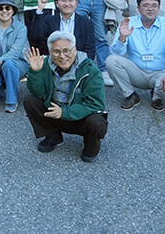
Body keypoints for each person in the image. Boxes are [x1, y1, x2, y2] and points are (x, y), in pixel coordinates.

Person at [23, 32, 108, 163]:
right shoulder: (44, 64)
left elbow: (96, 104)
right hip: (55, 112)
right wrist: (35, 72)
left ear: (74, 50)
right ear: (50, 52)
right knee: (31, 101)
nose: (62, 56)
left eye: (66, 51)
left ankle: (91, 145)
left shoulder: (91, 70)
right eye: (56, 52)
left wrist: (64, 112)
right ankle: (53, 136)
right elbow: (37, 92)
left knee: (96, 122)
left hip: (80, 118)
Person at [106, 0, 165, 112]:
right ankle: (131, 95)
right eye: (146, 5)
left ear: (159, 8)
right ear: (138, 8)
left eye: (154, 6)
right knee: (111, 61)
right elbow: (116, 53)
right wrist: (122, 38)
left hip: (160, 72)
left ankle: (157, 95)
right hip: (137, 71)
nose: (150, 9)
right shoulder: (129, 22)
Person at [29, 0, 96, 65]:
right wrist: (39, 10)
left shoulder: (86, 23)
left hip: (78, 63)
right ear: (57, 4)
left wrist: (83, 65)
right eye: (63, 0)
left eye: (71, 0)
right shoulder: (49, 20)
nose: (67, 4)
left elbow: (90, 49)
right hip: (54, 61)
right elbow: (36, 37)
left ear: (76, 3)